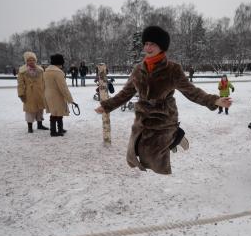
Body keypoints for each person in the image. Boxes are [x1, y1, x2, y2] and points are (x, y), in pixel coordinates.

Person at [95, 25, 232, 175]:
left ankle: (175, 136)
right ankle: (173, 139)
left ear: (161, 46)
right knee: (132, 153)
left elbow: (191, 91)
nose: (148, 47)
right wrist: (107, 105)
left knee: (152, 156)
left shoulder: (173, 69)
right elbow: (125, 93)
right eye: (146, 43)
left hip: (163, 117)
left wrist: (214, 100)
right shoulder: (138, 69)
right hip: (142, 117)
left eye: (152, 44)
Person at [44, 54, 76, 137]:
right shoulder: (58, 72)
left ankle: (55, 130)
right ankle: (56, 131)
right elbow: (63, 88)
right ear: (60, 62)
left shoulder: (46, 71)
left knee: (54, 112)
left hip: (48, 94)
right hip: (57, 95)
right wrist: (70, 99)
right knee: (58, 112)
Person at [17, 51, 48, 133]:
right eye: (29, 60)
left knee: (40, 109)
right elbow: (20, 84)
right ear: (26, 61)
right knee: (30, 111)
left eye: (33, 60)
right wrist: (21, 94)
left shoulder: (40, 70)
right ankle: (30, 127)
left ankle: (40, 124)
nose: (31, 62)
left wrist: (46, 91)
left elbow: (44, 81)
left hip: (40, 92)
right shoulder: (22, 71)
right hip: (29, 94)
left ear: (35, 60)